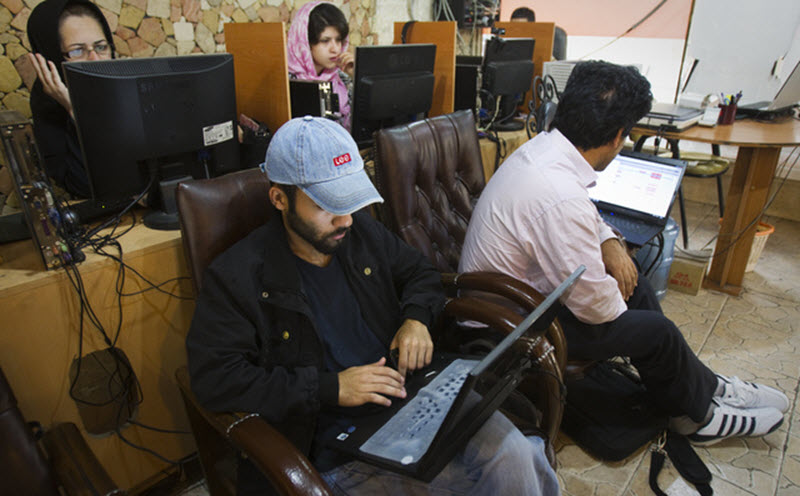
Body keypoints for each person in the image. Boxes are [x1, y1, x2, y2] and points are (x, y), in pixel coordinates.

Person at [185, 116, 559, 495]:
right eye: (327, 206)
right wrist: (330, 388)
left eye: (349, 201)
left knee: (517, 455)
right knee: (472, 486)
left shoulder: (359, 233)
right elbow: (216, 379)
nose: (345, 218)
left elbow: (420, 274)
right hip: (338, 445)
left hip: (412, 397)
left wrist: (415, 320)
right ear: (280, 199)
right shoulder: (238, 277)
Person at [460, 61, 789, 446]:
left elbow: (578, 217)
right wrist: (618, 286)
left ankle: (702, 390)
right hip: (505, 326)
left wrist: (610, 243)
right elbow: (595, 308)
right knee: (657, 332)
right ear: (619, 136)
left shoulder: (545, 150)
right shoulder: (559, 195)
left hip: (523, 299)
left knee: (639, 288)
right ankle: (700, 418)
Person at [26, 0, 115, 198]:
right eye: (77, 51)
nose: (95, 59)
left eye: (101, 47)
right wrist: (74, 110)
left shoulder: (124, 87)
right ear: (52, 57)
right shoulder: (48, 105)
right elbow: (82, 186)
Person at [287, 2, 353, 130]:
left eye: (338, 40)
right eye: (325, 41)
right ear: (305, 42)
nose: (335, 49)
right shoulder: (287, 80)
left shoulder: (340, 78)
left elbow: (361, 125)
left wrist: (356, 76)